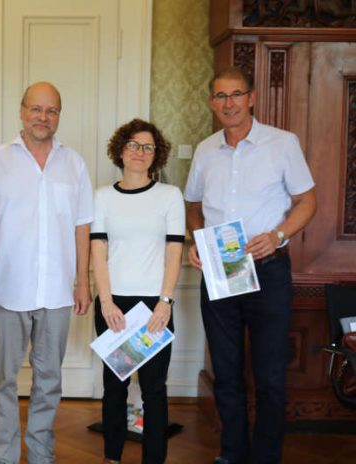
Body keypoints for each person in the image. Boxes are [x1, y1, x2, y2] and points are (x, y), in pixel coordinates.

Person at [184, 66, 317, 464]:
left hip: (268, 268)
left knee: (271, 375)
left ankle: (265, 457)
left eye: (236, 94)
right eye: (221, 96)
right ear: (212, 103)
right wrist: (197, 239)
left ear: (252, 98)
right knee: (226, 372)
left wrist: (278, 235)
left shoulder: (282, 143)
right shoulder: (206, 150)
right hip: (221, 268)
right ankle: (231, 454)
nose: (229, 103)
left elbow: (308, 202)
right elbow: (193, 206)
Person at [0, 81, 93, 464]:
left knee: (49, 381)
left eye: (52, 110)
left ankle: (41, 454)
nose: (43, 117)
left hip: (59, 292)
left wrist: (82, 281)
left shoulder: (74, 163)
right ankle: (5, 456)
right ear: (22, 111)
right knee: (4, 382)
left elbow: (82, 226)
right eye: (36, 109)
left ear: (58, 115)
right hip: (5, 288)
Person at [90, 119, 184, 464]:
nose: (139, 152)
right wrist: (106, 301)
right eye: (133, 144)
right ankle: (112, 457)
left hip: (154, 307)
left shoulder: (169, 196)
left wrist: (165, 301)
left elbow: (174, 251)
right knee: (114, 388)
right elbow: (98, 252)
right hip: (114, 305)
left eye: (147, 147)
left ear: (156, 155)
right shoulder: (101, 197)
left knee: (154, 391)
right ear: (120, 149)